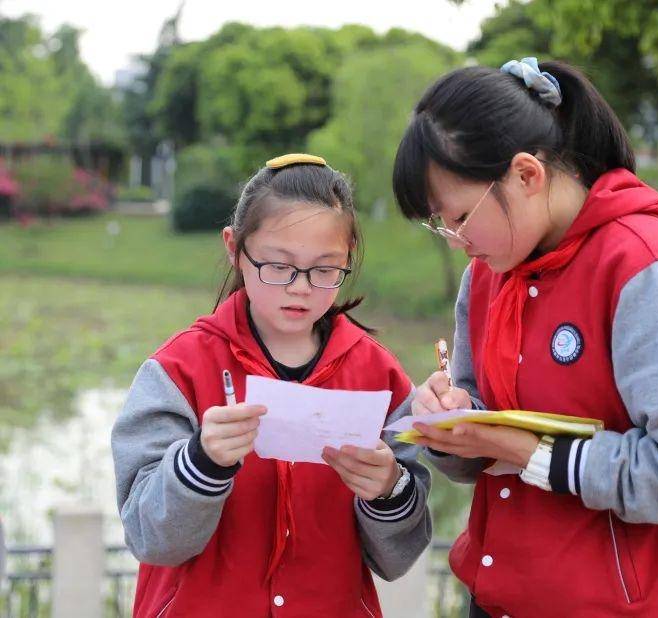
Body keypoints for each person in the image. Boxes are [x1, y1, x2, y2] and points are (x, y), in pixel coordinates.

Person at [392, 58, 658, 617]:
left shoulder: (646, 267)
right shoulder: (489, 273)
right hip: (496, 599)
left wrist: (529, 452)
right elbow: (481, 445)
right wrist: (451, 421)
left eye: (460, 216)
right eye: (440, 224)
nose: (455, 241)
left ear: (526, 175)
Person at [112, 154, 431, 617]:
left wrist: (390, 490)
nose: (300, 287)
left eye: (325, 270)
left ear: (348, 259)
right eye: (278, 266)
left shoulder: (380, 377)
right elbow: (149, 539)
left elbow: (396, 558)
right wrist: (200, 463)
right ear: (235, 249)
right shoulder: (177, 371)